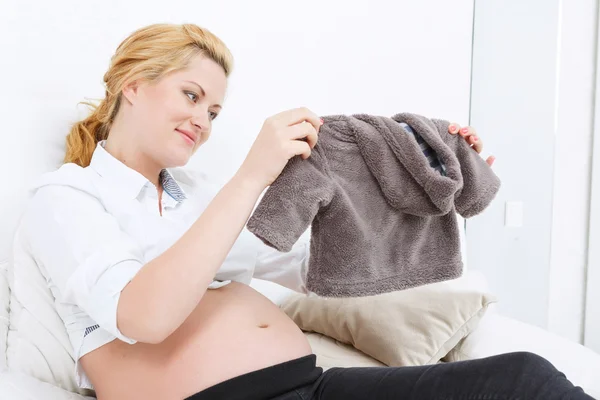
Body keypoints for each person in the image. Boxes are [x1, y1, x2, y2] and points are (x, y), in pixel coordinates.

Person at [18, 23, 591, 400]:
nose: (204, 121)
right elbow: (144, 317)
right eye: (191, 96)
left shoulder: (196, 193)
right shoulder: (67, 198)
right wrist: (252, 175)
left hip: (310, 385)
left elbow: (315, 263)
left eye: (215, 111)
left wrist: (427, 183)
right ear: (131, 86)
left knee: (524, 379)